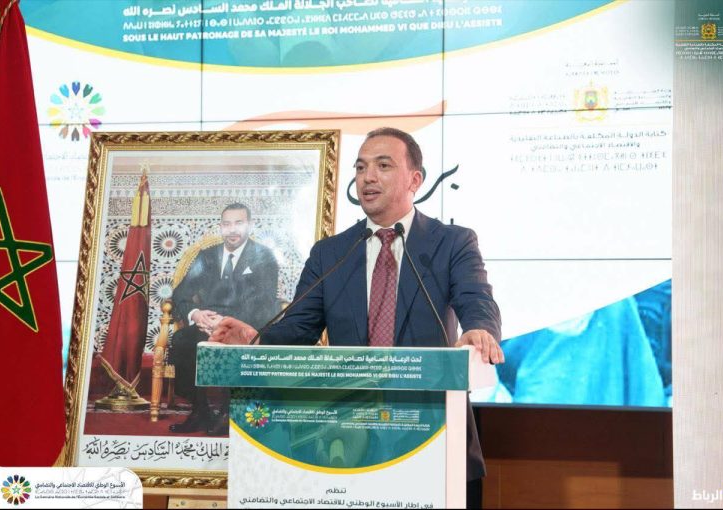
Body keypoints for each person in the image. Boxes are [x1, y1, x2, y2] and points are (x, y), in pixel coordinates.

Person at [210, 128, 504, 507]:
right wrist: (256, 340)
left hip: (430, 428)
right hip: (348, 436)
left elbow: (475, 297)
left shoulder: (451, 243)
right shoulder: (331, 253)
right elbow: (299, 328)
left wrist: (479, 329)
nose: (368, 177)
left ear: (415, 180)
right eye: (361, 167)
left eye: (383, 166)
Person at [169, 203, 279, 435]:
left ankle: (229, 412)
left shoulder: (264, 257)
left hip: (242, 327)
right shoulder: (207, 256)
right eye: (227, 224)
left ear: (249, 225)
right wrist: (196, 314)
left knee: (235, 347)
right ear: (220, 227)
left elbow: (265, 302)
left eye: (239, 223)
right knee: (182, 340)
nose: (232, 229)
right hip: (207, 325)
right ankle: (200, 411)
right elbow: (180, 293)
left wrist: (226, 322)